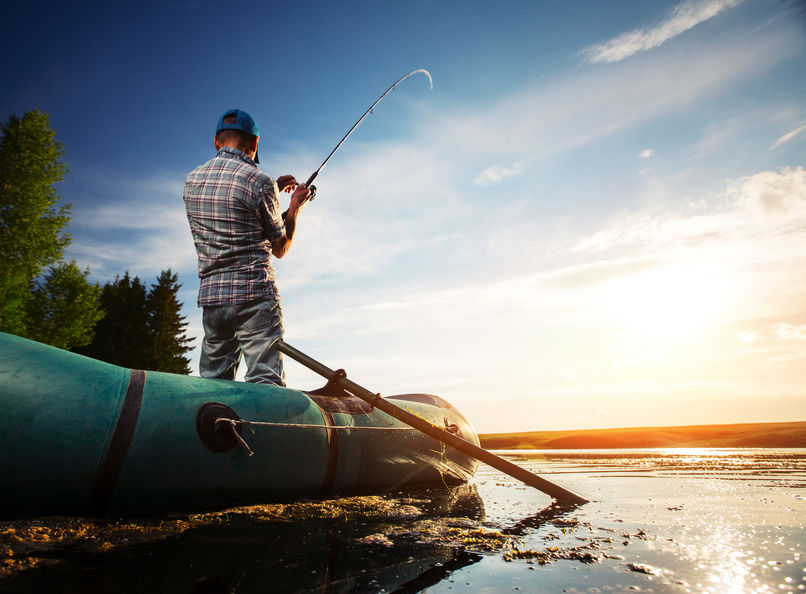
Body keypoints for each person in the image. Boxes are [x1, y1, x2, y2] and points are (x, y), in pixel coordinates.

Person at [183, 108, 310, 385]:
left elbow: (230, 204)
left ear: (216, 141)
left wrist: (273, 192)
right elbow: (280, 247)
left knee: (214, 383)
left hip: (213, 300)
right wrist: (294, 207)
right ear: (254, 144)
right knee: (266, 381)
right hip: (254, 296)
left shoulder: (191, 181)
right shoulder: (259, 181)